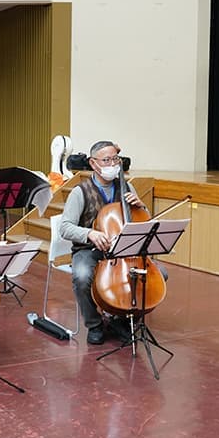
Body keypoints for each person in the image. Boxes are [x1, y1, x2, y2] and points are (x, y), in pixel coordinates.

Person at [59, 140, 146, 345]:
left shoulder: (127, 187)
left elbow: (143, 221)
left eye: (115, 159)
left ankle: (121, 320)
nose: (112, 164)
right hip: (90, 249)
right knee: (82, 277)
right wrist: (90, 233)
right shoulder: (80, 192)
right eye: (106, 160)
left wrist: (141, 206)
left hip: (124, 250)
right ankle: (94, 324)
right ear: (93, 163)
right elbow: (65, 227)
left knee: (156, 276)